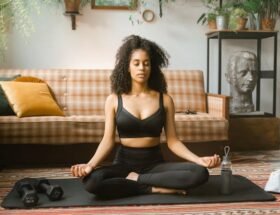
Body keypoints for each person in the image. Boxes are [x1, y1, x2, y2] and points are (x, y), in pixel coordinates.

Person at [71, 35, 221, 199]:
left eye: (146, 63)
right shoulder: (114, 100)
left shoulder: (165, 100)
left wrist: (199, 160)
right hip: (123, 165)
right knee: (92, 181)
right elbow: (107, 140)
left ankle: (138, 181)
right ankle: (154, 188)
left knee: (200, 173)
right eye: (136, 63)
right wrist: (90, 165)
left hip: (154, 165)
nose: (141, 68)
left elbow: (173, 141)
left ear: (152, 67)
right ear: (127, 67)